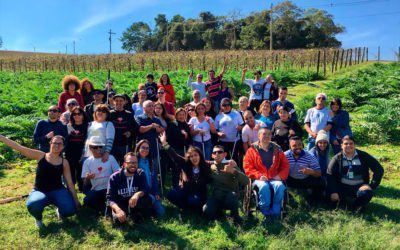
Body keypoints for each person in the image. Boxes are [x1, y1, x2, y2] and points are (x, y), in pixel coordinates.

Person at [0, 134, 80, 228]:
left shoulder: (64, 162)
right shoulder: (40, 155)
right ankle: (38, 218)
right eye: (54, 142)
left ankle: (60, 211)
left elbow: (69, 183)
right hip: (40, 191)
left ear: (63, 146)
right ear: (50, 144)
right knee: (33, 205)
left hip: (58, 190)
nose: (57, 145)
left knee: (70, 210)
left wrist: (76, 200)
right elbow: (20, 148)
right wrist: (1, 137)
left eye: (60, 143)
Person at [243, 128, 289, 221]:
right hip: (259, 178)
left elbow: (285, 166)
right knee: (264, 187)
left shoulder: (277, 149)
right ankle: (265, 212)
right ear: (259, 136)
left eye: (269, 134)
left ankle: (275, 212)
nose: (267, 136)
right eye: (264, 134)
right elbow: (247, 167)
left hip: (274, 177)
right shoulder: (251, 150)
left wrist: (280, 176)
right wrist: (259, 175)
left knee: (280, 186)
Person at [327, 136, 384, 211]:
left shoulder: (363, 156)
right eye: (346, 143)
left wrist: (371, 185)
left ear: (354, 145)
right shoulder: (337, 158)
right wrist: (333, 191)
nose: (349, 145)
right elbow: (330, 174)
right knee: (331, 198)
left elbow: (379, 169)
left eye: (351, 143)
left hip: (359, 186)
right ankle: (343, 202)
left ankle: (357, 205)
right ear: (341, 145)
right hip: (342, 187)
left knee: (366, 194)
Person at [160, 133, 211, 212]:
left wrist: (230, 163)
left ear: (200, 156)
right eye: (191, 156)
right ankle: (184, 208)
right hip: (186, 191)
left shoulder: (206, 165)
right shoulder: (186, 164)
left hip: (200, 193)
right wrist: (164, 143)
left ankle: (194, 209)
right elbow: (175, 156)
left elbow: (217, 163)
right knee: (171, 194)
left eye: (196, 155)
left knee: (193, 201)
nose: (194, 158)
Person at [203, 145, 249, 224]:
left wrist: (233, 171)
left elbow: (246, 181)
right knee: (206, 210)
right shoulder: (211, 167)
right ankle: (220, 214)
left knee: (232, 196)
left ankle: (235, 217)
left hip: (230, 197)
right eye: (214, 152)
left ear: (225, 154)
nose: (217, 154)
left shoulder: (231, 164)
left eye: (220, 152)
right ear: (212, 155)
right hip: (217, 198)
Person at [106, 152, 152, 224]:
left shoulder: (140, 173)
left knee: (148, 199)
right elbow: (110, 199)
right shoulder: (114, 177)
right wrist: (118, 210)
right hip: (121, 204)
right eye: (130, 162)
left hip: (135, 203)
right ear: (124, 164)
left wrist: (137, 194)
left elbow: (146, 189)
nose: (133, 165)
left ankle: (137, 214)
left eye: (135, 163)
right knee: (118, 221)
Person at [81, 136, 120, 212]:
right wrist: (88, 178)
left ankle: (105, 207)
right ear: (90, 148)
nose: (98, 149)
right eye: (95, 147)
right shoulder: (87, 162)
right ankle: (103, 207)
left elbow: (119, 173)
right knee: (87, 200)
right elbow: (85, 183)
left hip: (110, 189)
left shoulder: (110, 158)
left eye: (100, 146)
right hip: (96, 190)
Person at [285, 136, 325, 203]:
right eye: (294, 145)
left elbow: (319, 173)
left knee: (321, 182)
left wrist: (311, 172)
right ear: (290, 146)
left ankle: (313, 200)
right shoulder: (285, 155)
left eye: (299, 144)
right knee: (278, 180)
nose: (298, 147)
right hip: (290, 179)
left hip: (305, 179)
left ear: (302, 144)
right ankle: (289, 198)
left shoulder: (310, 155)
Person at [135, 139, 165, 217]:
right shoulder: (134, 161)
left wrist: (155, 193)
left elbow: (154, 180)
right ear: (138, 148)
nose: (145, 150)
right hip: (139, 193)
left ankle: (150, 206)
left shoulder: (150, 161)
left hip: (151, 192)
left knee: (161, 213)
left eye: (147, 148)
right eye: (143, 147)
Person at [135, 100, 165, 181]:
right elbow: (140, 129)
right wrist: (151, 126)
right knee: (141, 169)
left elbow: (162, 130)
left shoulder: (157, 119)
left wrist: (159, 129)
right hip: (143, 149)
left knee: (154, 169)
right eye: (149, 106)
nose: (151, 107)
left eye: (152, 106)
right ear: (144, 108)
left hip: (154, 147)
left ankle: (153, 187)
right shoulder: (139, 117)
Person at [166, 108, 193, 188]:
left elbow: (189, 138)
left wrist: (191, 148)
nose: (181, 116)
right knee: (176, 169)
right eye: (179, 115)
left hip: (186, 149)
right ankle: (175, 186)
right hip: (175, 150)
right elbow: (171, 137)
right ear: (176, 115)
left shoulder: (186, 125)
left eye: (183, 115)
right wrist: (181, 134)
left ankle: (185, 184)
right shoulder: (172, 124)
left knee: (186, 168)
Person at [110, 94, 137, 165]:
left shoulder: (129, 114)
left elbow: (135, 127)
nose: (119, 102)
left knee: (125, 165)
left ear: (125, 102)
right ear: (113, 102)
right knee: (113, 166)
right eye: (117, 101)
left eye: (121, 101)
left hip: (125, 144)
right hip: (112, 145)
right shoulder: (109, 114)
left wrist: (130, 132)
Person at [65, 106, 88, 190]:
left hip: (82, 152)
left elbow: (88, 140)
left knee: (81, 171)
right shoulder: (68, 126)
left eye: (79, 114)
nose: (77, 116)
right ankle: (71, 187)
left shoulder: (88, 126)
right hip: (70, 152)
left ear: (83, 115)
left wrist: (83, 153)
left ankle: (82, 188)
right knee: (70, 171)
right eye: (74, 114)